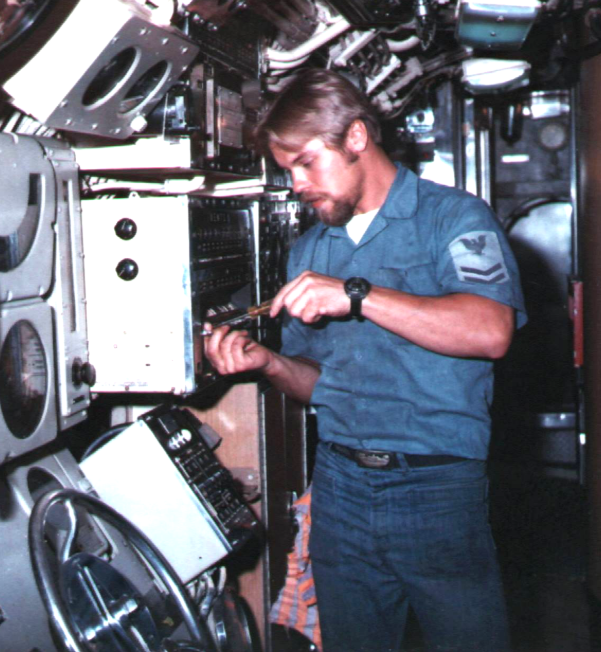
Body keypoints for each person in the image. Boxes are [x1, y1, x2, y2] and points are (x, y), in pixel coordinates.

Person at [204, 68, 525, 652]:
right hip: (341, 489)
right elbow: (318, 382)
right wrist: (267, 364)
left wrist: (357, 295)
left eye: (305, 162)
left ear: (355, 138)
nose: (297, 184)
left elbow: (491, 330)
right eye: (287, 171)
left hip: (436, 489)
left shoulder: (452, 219)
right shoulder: (311, 250)